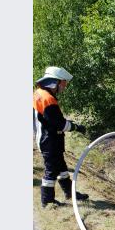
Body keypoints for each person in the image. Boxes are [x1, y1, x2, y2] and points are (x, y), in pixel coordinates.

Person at [33, 66, 89, 207]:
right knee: (51, 171)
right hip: (49, 141)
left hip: (49, 138)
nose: (64, 86)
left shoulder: (40, 93)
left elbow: (51, 120)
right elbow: (60, 124)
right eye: (63, 83)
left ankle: (70, 193)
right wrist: (76, 127)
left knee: (61, 168)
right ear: (55, 82)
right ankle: (47, 201)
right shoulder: (48, 99)